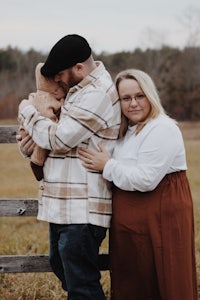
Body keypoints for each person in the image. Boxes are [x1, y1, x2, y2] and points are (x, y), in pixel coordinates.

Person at [78, 69, 198, 300]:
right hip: (133, 222)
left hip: (161, 216)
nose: (133, 103)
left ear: (150, 95)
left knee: (163, 276)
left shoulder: (162, 128)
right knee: (134, 279)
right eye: (126, 98)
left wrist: (108, 166)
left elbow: (146, 179)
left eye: (139, 96)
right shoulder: (125, 132)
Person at [17, 34, 121, 300]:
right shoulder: (75, 91)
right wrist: (31, 138)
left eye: (61, 75)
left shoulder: (97, 94)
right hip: (62, 205)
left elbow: (59, 139)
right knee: (62, 267)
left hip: (82, 210)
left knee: (82, 285)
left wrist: (27, 111)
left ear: (79, 68)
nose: (57, 82)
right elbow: (45, 136)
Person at [19, 62, 65, 181]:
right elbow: (50, 122)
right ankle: (37, 160)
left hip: (59, 172)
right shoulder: (45, 99)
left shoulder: (35, 97)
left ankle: (37, 160)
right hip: (42, 135)